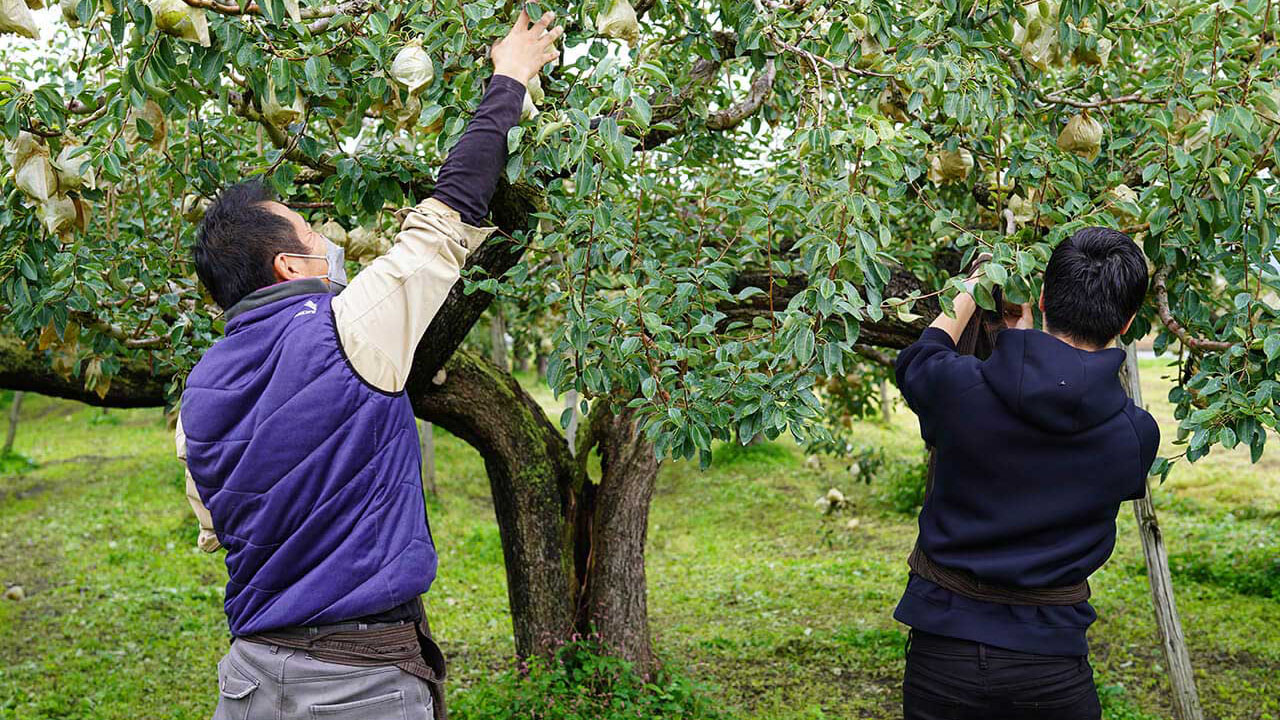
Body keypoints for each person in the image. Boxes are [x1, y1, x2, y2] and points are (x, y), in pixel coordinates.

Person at [173, 10, 562, 719]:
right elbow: (450, 212)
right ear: (291, 265)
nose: (330, 241)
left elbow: (219, 529)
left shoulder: (194, 399)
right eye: (314, 233)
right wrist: (509, 77)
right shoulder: (350, 329)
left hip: (250, 682)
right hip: (359, 686)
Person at [893, 227, 1160, 719]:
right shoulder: (1135, 434)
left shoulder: (961, 391)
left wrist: (975, 284)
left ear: (1041, 297)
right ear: (1126, 324)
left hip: (943, 653)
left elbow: (920, 357)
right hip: (1051, 665)